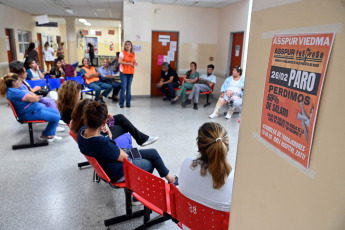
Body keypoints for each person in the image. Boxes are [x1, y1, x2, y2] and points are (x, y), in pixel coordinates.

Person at [77, 100, 177, 187]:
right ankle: (138, 194)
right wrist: (109, 132)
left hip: (112, 162)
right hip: (119, 171)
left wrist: (106, 130)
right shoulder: (102, 143)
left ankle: (171, 179)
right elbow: (125, 157)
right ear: (103, 122)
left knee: (152, 153)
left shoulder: (81, 132)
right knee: (151, 162)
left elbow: (111, 148)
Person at [178, 122, 233, 212]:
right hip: (216, 226)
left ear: (199, 147)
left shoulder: (186, 164)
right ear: (226, 148)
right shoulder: (234, 180)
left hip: (188, 225)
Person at [0, 73, 62, 142]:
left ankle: (48, 133)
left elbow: (32, 94)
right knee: (55, 117)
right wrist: (35, 97)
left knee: (56, 113)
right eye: (18, 80)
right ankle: (47, 135)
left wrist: (35, 97)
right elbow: (33, 98)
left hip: (34, 108)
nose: (20, 80)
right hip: (29, 113)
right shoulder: (14, 92)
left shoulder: (17, 87)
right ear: (13, 83)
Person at [118, 40, 137, 108]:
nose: (127, 46)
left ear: (131, 46)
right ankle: (121, 103)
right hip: (123, 72)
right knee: (123, 88)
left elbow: (134, 61)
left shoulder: (133, 54)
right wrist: (127, 63)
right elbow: (119, 61)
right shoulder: (122, 52)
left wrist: (135, 63)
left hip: (131, 72)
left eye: (129, 44)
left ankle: (128, 103)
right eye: (126, 44)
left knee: (128, 88)